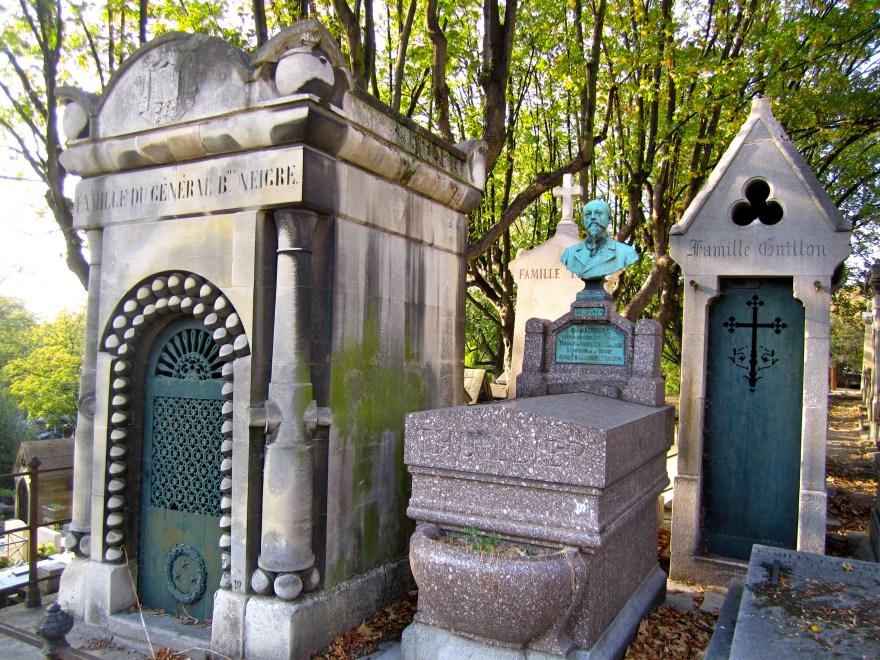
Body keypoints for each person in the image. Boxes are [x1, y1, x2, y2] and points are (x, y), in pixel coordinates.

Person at [560, 199, 638, 280]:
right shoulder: (569, 253)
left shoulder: (626, 252)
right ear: (583, 221)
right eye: (588, 214)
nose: (593, 217)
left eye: (598, 213)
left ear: (609, 220)